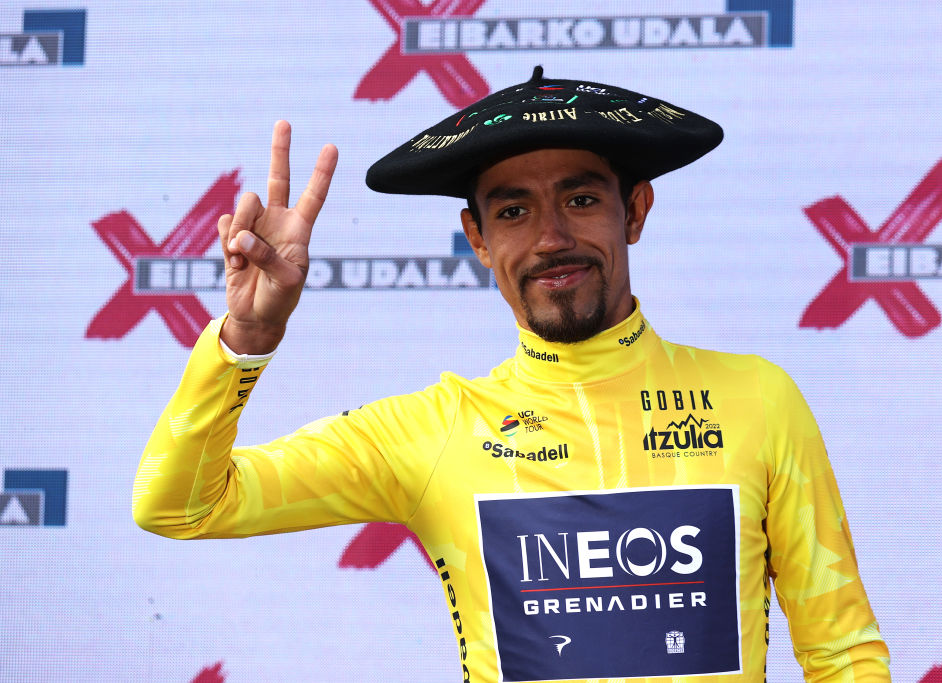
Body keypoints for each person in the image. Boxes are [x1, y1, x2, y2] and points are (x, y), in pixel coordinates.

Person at [134, 67, 891, 682]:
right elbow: (179, 506)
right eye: (514, 212)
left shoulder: (758, 399)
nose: (553, 237)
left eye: (583, 199)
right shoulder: (433, 430)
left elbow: (843, 654)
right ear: (478, 237)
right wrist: (249, 335)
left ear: (636, 210)